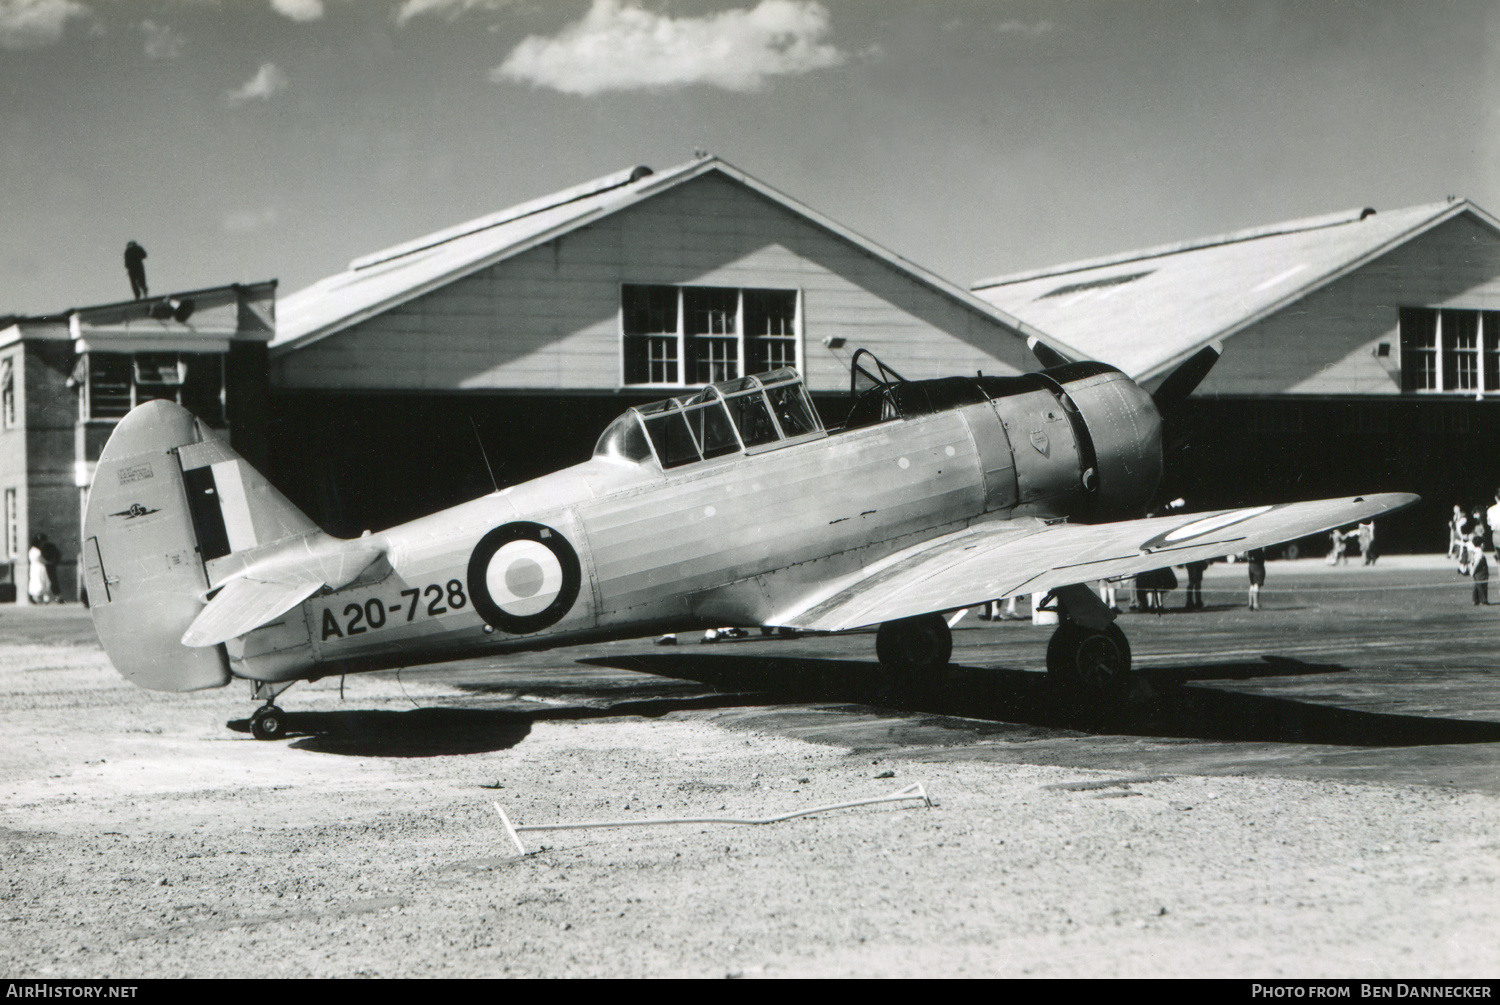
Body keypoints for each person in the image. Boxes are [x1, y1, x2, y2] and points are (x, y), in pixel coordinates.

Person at [27, 535, 55, 605]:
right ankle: (42, 597)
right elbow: (42, 560)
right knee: (42, 580)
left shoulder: (31, 550)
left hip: (34, 567)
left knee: (36, 580)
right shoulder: (37, 551)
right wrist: (49, 562)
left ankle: (35, 596)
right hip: (39, 567)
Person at [1470, 534, 1490, 606]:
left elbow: (1472, 561)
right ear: (1481, 544)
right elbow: (1477, 562)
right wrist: (1473, 570)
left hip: (1477, 572)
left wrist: (1471, 569)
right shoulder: (1480, 553)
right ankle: (1483, 600)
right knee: (1482, 585)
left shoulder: (1474, 552)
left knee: (1477, 585)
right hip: (1481, 571)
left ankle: (1476, 600)